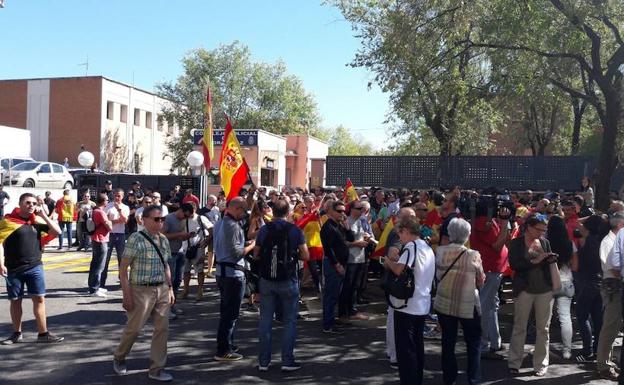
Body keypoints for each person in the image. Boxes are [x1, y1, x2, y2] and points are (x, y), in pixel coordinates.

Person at [113, 205, 175, 382]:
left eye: (162, 219)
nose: (160, 222)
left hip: (161, 288)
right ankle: (119, 357)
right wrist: (126, 295)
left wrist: (170, 288)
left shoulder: (163, 239)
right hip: (141, 290)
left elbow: (166, 265)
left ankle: (156, 369)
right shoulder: (136, 239)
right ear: (144, 220)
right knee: (134, 328)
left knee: (162, 329)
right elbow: (123, 269)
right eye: (156, 219)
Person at [253, 199, 309, 372]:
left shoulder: (264, 229)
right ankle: (287, 360)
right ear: (288, 212)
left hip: (267, 279)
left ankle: (263, 362)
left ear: (273, 211)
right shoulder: (295, 230)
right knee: (290, 321)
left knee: (266, 321)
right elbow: (306, 255)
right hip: (288, 278)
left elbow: (256, 254)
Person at [0, 193, 63, 344]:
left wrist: (44, 215)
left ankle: (43, 334)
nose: (31, 206)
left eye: (34, 203)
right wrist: (1, 263)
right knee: (15, 301)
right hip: (13, 268)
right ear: (20, 204)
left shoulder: (36, 222)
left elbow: (57, 232)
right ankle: (16, 333)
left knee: (39, 299)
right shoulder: (7, 221)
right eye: (28, 202)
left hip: (35, 267)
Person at [384, 217, 435, 385]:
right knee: (417, 347)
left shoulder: (411, 247)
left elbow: (399, 270)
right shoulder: (426, 247)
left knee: (406, 351)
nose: (400, 237)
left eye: (400, 233)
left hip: (408, 305)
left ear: (406, 230)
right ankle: (416, 379)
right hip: (422, 304)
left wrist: (389, 262)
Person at [434, 218, 485, 385]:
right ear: (467, 235)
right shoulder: (473, 255)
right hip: (468, 304)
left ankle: (449, 379)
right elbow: (480, 281)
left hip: (444, 302)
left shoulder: (440, 252)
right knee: (474, 343)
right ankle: (473, 379)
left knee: (448, 342)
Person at [507, 214, 557, 377]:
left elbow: (548, 264)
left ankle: (541, 364)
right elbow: (515, 264)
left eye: (544, 230)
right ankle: (514, 362)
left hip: (545, 290)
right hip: (524, 289)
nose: (541, 233)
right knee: (519, 326)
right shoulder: (516, 243)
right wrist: (536, 261)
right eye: (539, 229)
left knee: (544, 329)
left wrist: (549, 259)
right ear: (528, 227)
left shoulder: (545, 242)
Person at [213, 197, 256, 361]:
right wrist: (252, 245)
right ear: (237, 208)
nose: (244, 215)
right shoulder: (232, 225)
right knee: (230, 314)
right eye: (244, 211)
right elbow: (237, 253)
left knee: (226, 312)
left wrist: (245, 242)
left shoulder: (220, 222)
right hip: (232, 274)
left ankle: (227, 343)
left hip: (223, 272)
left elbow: (226, 246)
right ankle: (223, 350)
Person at [470, 203, 510, 359]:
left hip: (492, 269)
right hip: (490, 269)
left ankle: (494, 341)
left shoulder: (483, 221)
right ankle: (483, 344)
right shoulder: (483, 222)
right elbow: (497, 245)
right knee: (486, 306)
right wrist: (505, 223)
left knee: (491, 304)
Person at [385, 207, 416, 368]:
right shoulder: (399, 234)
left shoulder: (400, 233)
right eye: (411, 217)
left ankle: (392, 352)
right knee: (395, 320)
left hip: (398, 285)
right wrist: (405, 261)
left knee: (394, 319)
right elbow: (392, 254)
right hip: (399, 285)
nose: (415, 219)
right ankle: (395, 356)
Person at [596, 211, 624, 380]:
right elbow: (613, 268)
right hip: (613, 288)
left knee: (613, 328)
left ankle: (607, 361)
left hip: (617, 287)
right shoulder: (608, 242)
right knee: (610, 327)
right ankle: (604, 365)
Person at [574, 215, 606, 362]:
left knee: (582, 316)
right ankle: (598, 349)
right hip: (600, 282)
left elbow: (577, 222)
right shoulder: (603, 241)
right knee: (597, 318)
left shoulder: (587, 241)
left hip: (586, 282)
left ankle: (587, 351)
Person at [320, 200, 354, 334]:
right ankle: (327, 325)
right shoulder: (327, 227)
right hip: (333, 265)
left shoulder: (339, 225)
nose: (342, 213)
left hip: (340, 263)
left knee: (334, 295)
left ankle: (330, 321)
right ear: (331, 211)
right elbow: (328, 249)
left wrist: (347, 227)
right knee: (331, 295)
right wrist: (337, 264)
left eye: (343, 211)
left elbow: (350, 239)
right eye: (339, 211)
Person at [546, 215, 575, 360]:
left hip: (549, 283)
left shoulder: (545, 243)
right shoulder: (569, 244)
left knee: (546, 319)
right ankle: (567, 350)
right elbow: (575, 265)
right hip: (566, 281)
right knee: (566, 317)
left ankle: (544, 351)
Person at [339, 201, 371, 323]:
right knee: (347, 286)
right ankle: (343, 313)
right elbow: (342, 242)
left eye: (362, 208)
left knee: (355, 286)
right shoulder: (346, 222)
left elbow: (360, 236)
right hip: (351, 259)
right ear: (352, 209)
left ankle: (352, 310)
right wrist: (357, 243)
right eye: (359, 208)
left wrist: (365, 237)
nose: (362, 210)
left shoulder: (361, 221)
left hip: (360, 258)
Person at [162, 203, 194, 318]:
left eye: (187, 217)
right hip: (170, 253)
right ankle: (166, 308)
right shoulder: (169, 218)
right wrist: (179, 234)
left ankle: (172, 305)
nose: (185, 218)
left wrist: (186, 236)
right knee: (170, 281)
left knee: (177, 280)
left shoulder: (182, 219)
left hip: (180, 251)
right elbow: (163, 235)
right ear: (180, 210)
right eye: (184, 215)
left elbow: (180, 235)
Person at [180, 202, 212, 301]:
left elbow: (212, 230)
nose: (187, 214)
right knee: (186, 271)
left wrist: (206, 241)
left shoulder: (201, 218)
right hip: (185, 248)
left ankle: (200, 291)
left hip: (198, 248)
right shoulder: (183, 219)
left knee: (200, 270)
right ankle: (185, 290)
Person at [88, 193, 113, 297]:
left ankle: (93, 287)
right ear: (104, 201)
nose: (108, 201)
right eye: (107, 200)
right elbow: (109, 227)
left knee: (95, 263)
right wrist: (110, 221)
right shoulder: (101, 212)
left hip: (95, 239)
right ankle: (95, 289)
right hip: (101, 240)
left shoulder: (95, 211)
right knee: (99, 265)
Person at [104, 189, 129, 268]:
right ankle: (102, 279)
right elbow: (106, 221)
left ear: (122, 197)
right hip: (109, 234)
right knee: (106, 258)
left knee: (121, 258)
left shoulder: (125, 207)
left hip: (120, 234)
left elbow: (125, 220)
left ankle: (122, 278)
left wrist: (119, 210)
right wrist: (118, 220)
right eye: (115, 196)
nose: (117, 198)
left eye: (119, 196)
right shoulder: (108, 206)